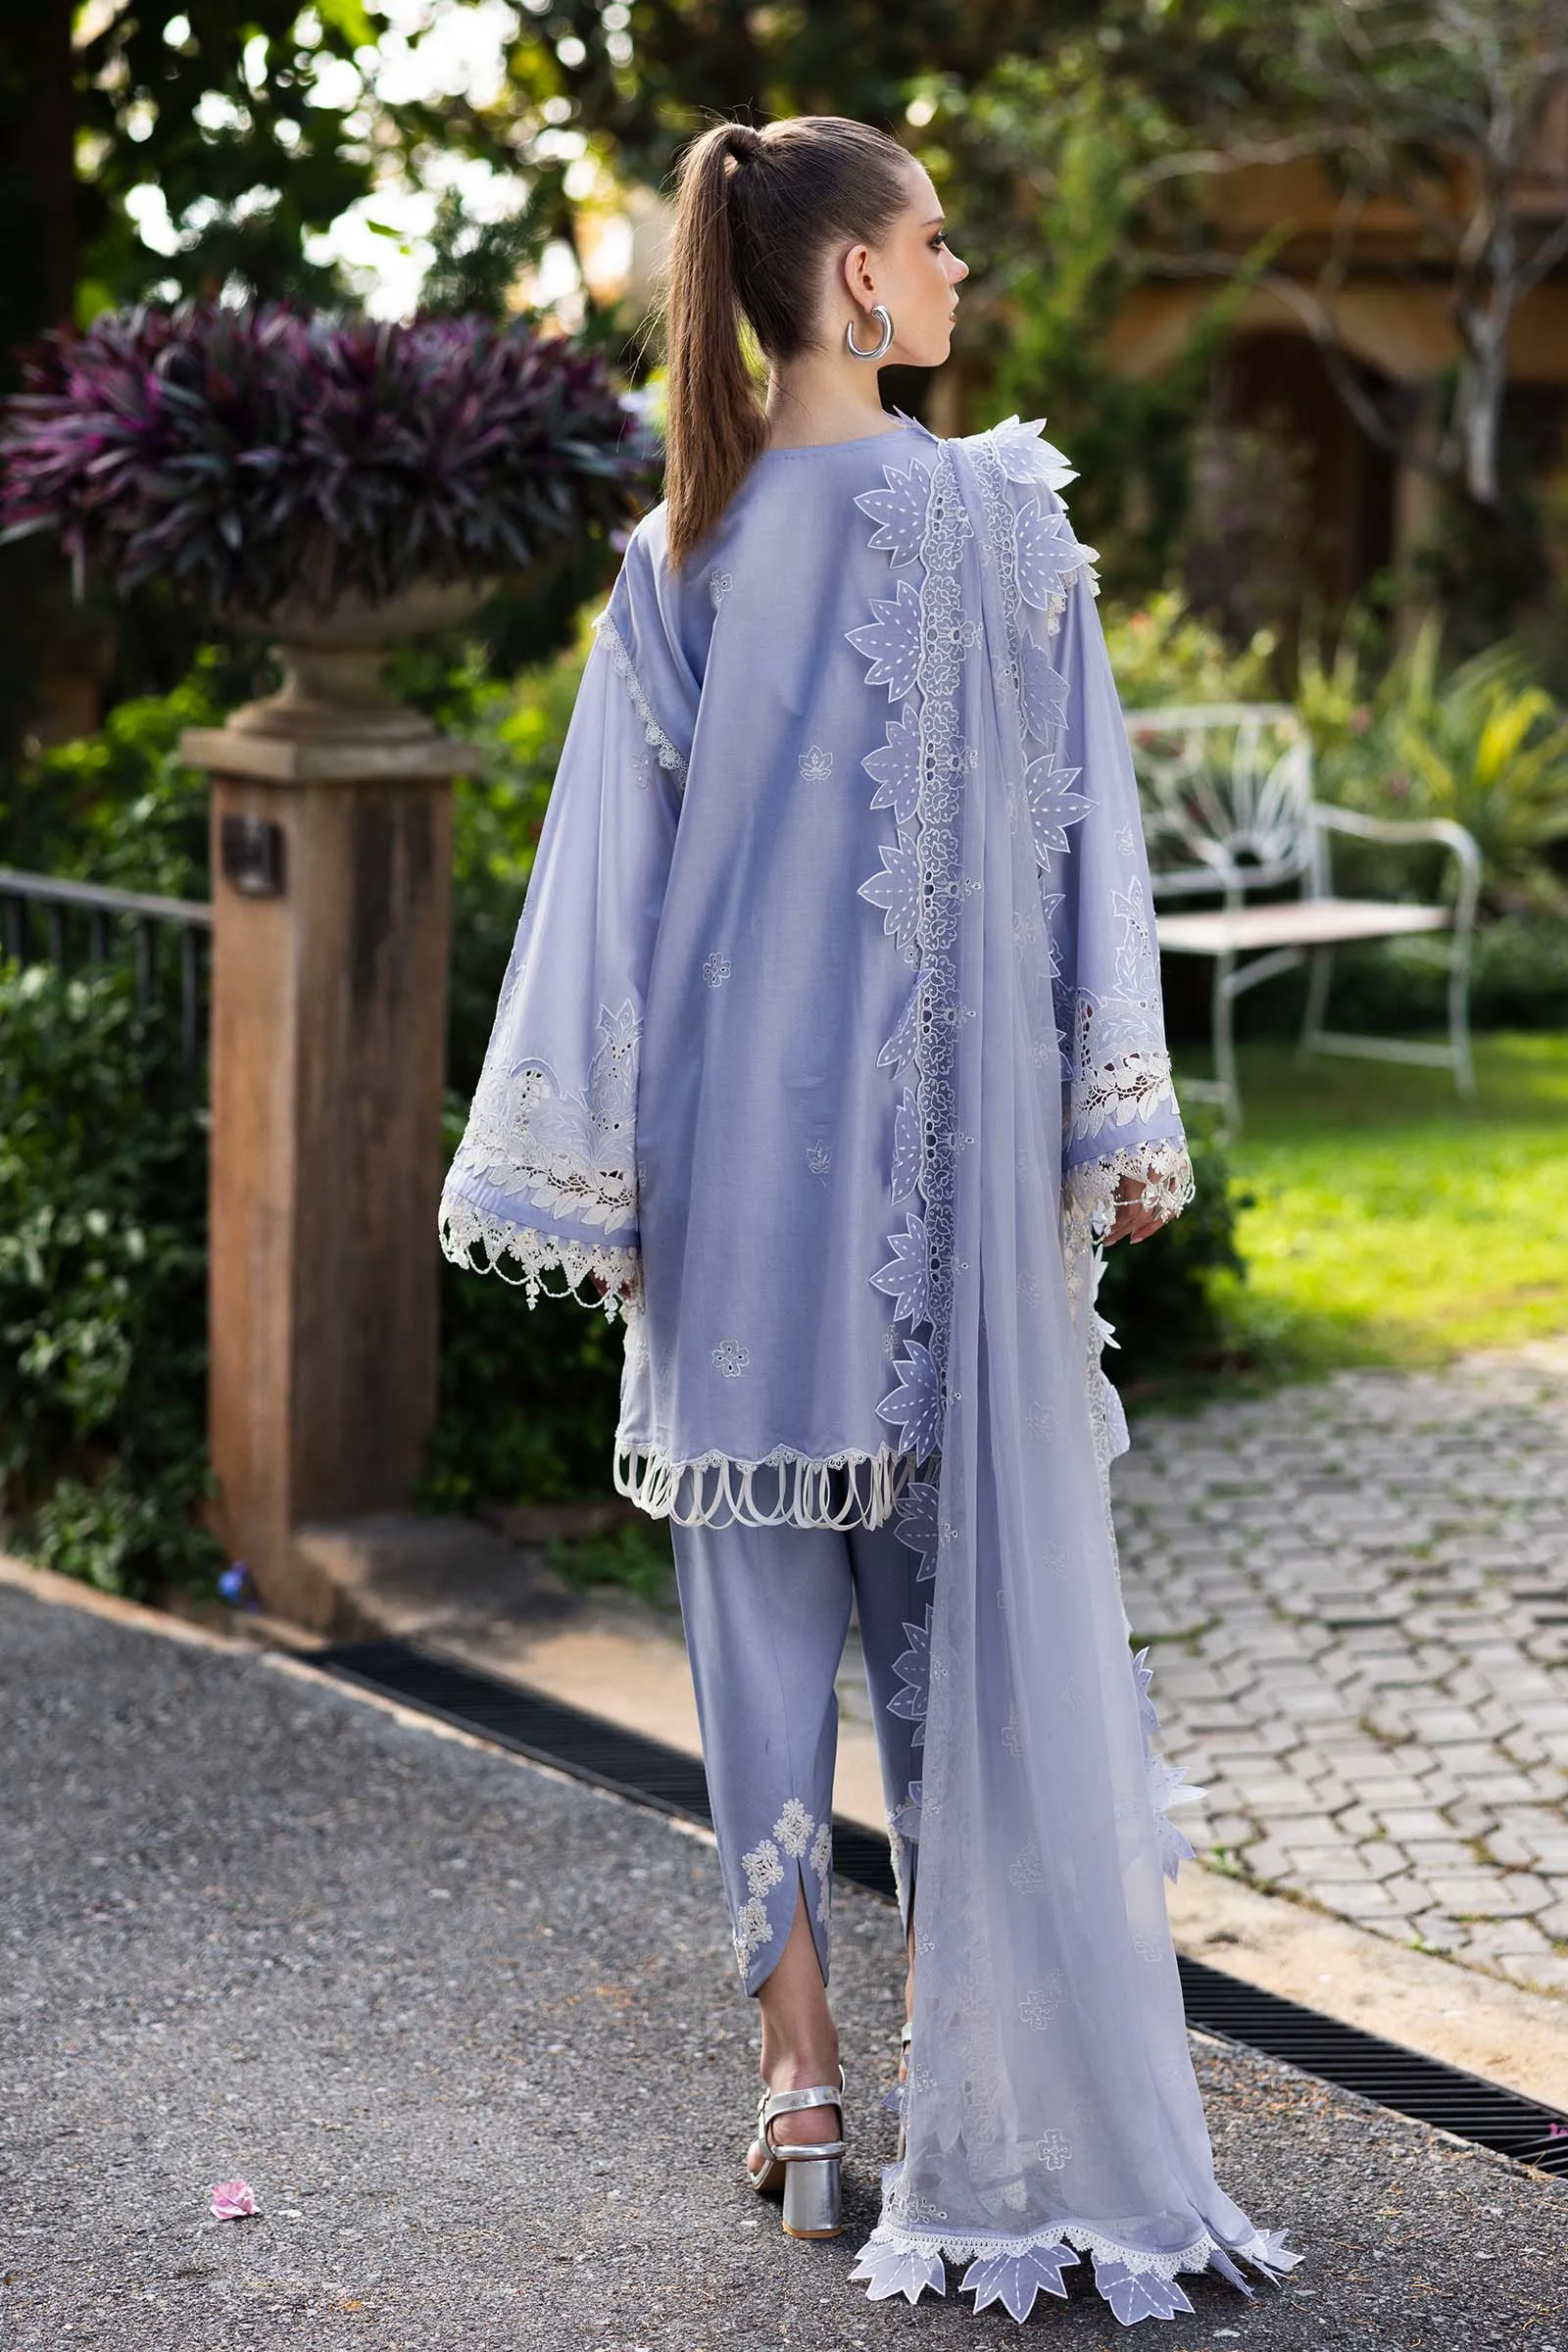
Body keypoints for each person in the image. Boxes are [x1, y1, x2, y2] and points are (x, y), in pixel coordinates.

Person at [439, 112, 1300, 2327]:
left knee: (751, 1640)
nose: (956, 277)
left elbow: (605, 899)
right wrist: (1112, 1111)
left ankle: (803, 2094)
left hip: (730, 1190)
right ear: (853, 284)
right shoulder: (1002, 522)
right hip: (947, 1206)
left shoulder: (678, 547)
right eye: (934, 242)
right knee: (953, 1644)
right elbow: (1092, 845)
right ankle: (976, 2094)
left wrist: (587, 1176)